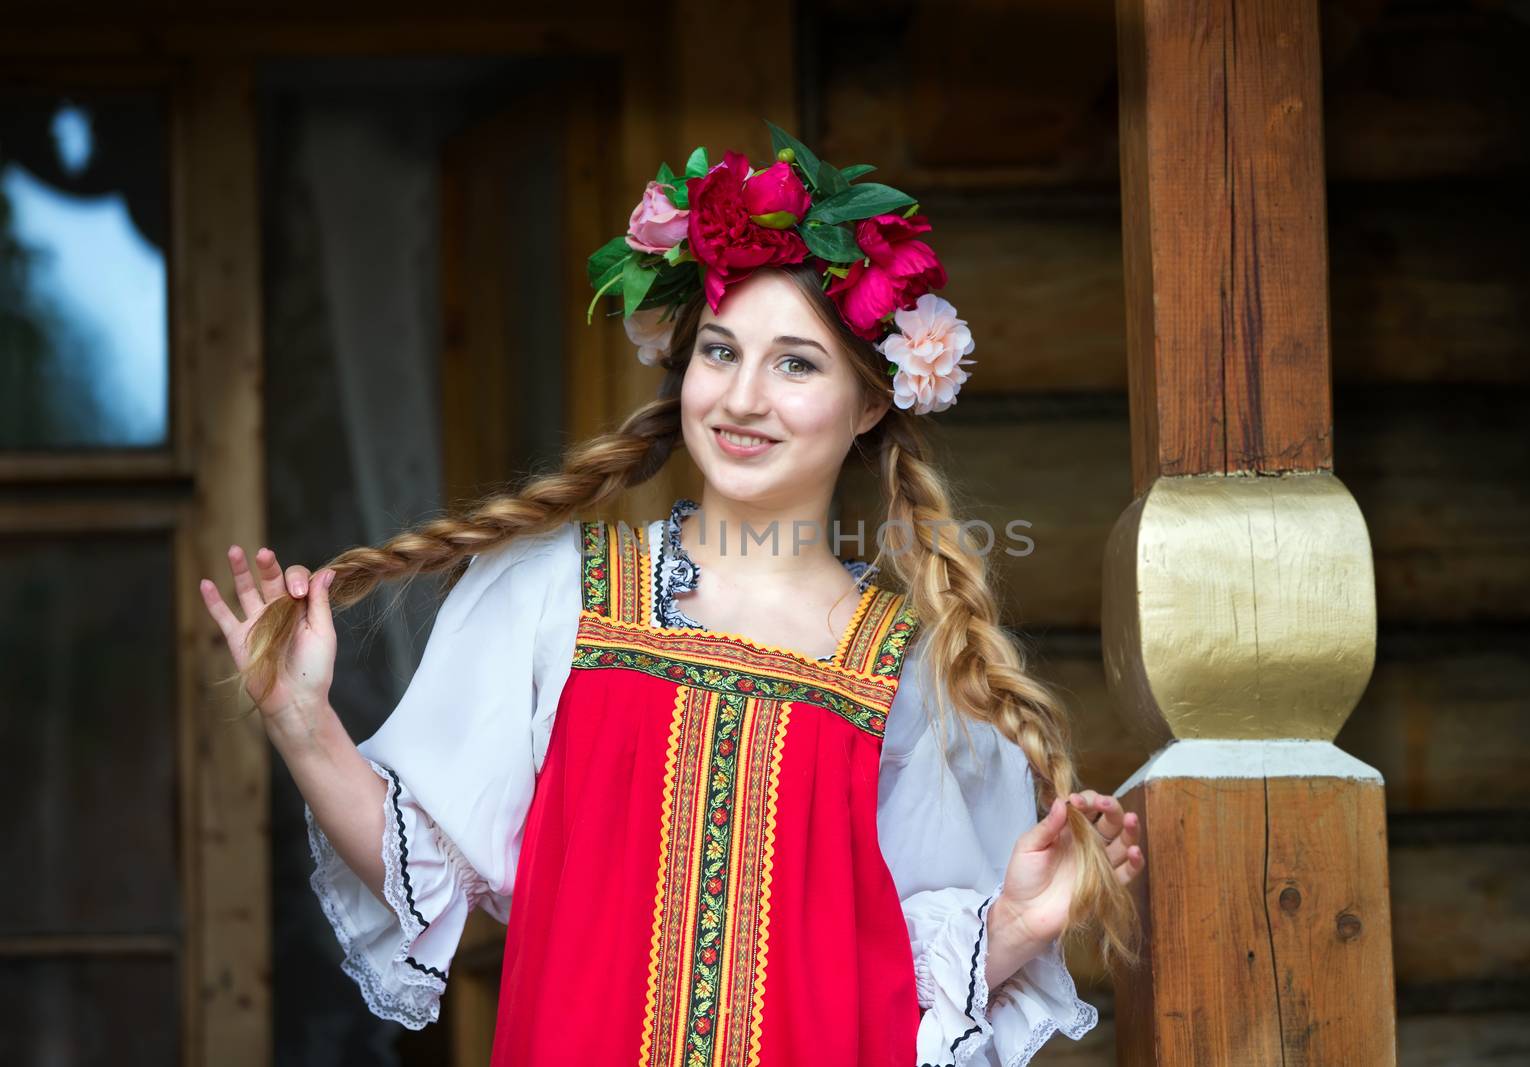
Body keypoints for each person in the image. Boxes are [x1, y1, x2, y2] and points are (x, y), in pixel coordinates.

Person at [200, 127, 1144, 1067]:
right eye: (720, 352)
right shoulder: (558, 594)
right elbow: (429, 866)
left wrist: (1013, 926)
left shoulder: (913, 673)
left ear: (868, 403)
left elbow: (904, 999)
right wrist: (302, 721)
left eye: (796, 363)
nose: (743, 397)